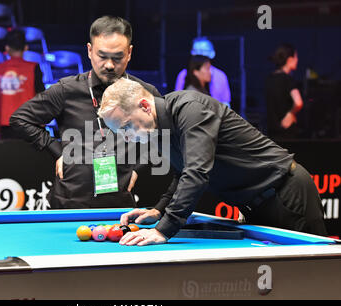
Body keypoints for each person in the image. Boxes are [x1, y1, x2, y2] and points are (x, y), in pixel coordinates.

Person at [97, 78, 327, 246]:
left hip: (286, 194)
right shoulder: (158, 130)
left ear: (145, 106)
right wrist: (159, 211)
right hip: (256, 206)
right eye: (120, 132)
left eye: (126, 126)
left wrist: (164, 230)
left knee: (312, 281)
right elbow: (182, 173)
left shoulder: (191, 109)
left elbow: (197, 173)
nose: (126, 137)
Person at [10, 16, 161, 209]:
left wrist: (139, 168)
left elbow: (165, 133)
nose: (109, 65)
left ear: (129, 53)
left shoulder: (145, 93)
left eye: (117, 57)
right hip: (68, 202)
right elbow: (20, 119)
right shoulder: (67, 90)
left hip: (119, 206)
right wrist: (56, 151)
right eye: (102, 56)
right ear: (89, 51)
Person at [0, 29, 45, 139]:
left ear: (7, 48)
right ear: (26, 47)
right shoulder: (34, 68)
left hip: (6, 127)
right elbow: (41, 97)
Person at [175, 37, 231, 106]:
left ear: (212, 53)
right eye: (196, 51)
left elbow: (225, 103)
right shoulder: (183, 75)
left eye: (203, 51)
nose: (200, 54)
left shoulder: (220, 76)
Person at [265, 43, 303, 140]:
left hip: (271, 131)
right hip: (287, 132)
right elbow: (298, 102)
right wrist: (290, 114)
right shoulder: (288, 79)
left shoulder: (269, 79)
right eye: (296, 57)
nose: (297, 60)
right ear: (290, 60)